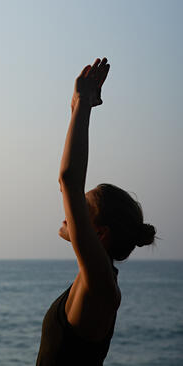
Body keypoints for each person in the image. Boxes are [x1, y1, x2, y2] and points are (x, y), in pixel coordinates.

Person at [36, 57, 156, 365]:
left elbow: (68, 180)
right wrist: (76, 108)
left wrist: (84, 105)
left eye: (81, 207)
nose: (68, 205)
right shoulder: (98, 276)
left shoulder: (100, 285)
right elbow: (68, 186)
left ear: (100, 233)